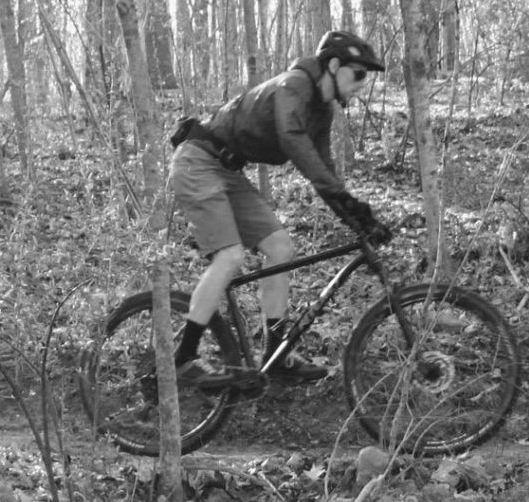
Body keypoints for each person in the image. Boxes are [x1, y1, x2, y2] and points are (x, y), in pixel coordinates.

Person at [165, 28, 394, 395]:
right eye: (358, 74)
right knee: (230, 255)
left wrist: (357, 216)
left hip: (227, 169)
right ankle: (184, 358)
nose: (361, 85)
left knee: (280, 248)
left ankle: (277, 353)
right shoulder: (292, 87)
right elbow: (292, 140)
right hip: (197, 161)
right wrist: (346, 200)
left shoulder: (322, 111)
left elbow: (324, 170)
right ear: (334, 66)